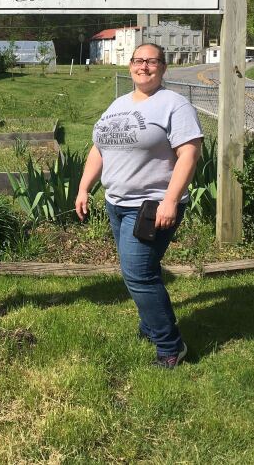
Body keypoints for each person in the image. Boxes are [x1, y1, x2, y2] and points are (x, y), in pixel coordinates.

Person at [75, 43, 202, 368]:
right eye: (138, 60)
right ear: (130, 65)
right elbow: (98, 149)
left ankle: (171, 346)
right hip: (116, 204)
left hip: (150, 207)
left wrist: (170, 201)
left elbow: (189, 153)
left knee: (138, 275)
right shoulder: (118, 104)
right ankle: (151, 324)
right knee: (142, 269)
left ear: (163, 67)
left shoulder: (174, 104)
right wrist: (83, 187)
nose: (144, 66)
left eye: (152, 61)